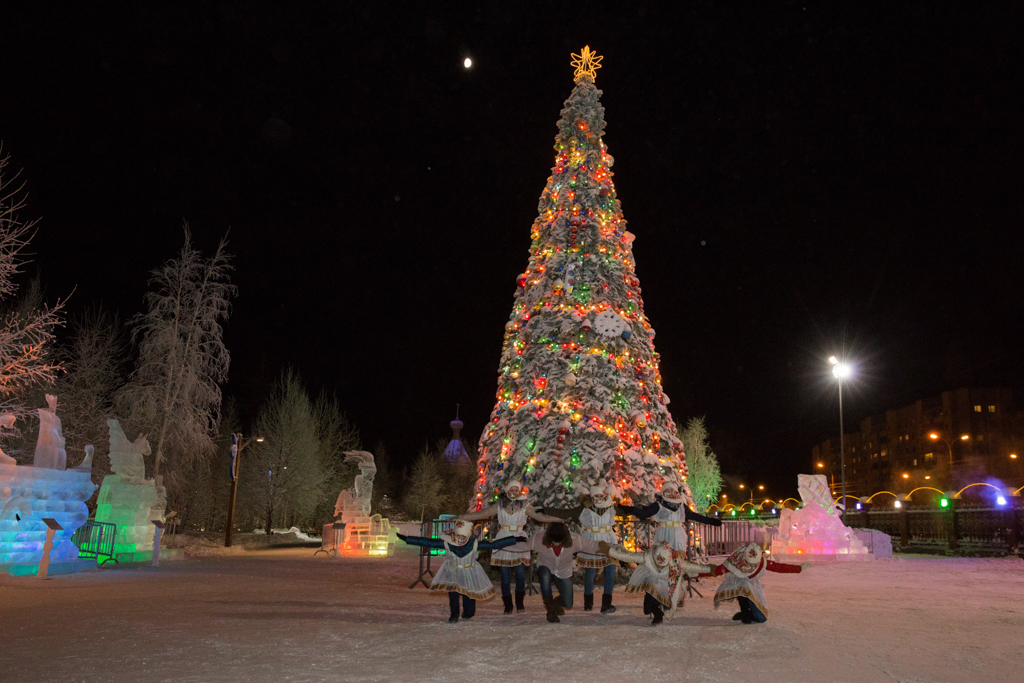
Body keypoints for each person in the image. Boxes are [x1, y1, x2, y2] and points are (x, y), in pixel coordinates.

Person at [459, 479, 562, 614]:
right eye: (511, 490)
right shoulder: (500, 504)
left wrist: (559, 519)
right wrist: (462, 517)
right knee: (505, 576)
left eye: (516, 490)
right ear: (507, 491)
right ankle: (508, 605)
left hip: (519, 540)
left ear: (519, 491)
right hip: (503, 539)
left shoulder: (525, 505)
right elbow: (481, 514)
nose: (514, 493)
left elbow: (540, 517)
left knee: (520, 574)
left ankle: (519, 603)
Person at [397, 520, 525, 623]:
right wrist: (407, 539)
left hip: (469, 572)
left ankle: (468, 612)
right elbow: (428, 542)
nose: (460, 539)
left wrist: (514, 539)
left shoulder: (474, 544)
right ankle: (454, 614)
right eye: (458, 536)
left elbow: (494, 545)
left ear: (468, 536)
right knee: (453, 594)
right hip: (453, 571)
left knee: (468, 594)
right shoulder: (448, 543)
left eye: (463, 536)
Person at [699, 542, 810, 623]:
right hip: (740, 587)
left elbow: (779, 567)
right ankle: (744, 611)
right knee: (743, 585)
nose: (752, 566)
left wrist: (799, 568)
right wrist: (695, 573)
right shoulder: (735, 561)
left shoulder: (761, 562)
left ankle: (748, 613)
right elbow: (716, 571)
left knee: (761, 618)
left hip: (754, 587)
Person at [601, 540, 707, 625]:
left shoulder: (675, 561)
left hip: (666, 582)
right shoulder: (647, 556)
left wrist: (711, 569)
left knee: (662, 597)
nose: (660, 566)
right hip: (651, 580)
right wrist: (609, 551)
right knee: (651, 600)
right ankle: (653, 607)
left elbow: (693, 567)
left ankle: (657, 611)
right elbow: (628, 556)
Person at [527, 522, 605, 623]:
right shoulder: (539, 538)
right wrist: (507, 543)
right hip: (545, 564)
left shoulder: (575, 540)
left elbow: (592, 545)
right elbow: (521, 544)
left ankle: (556, 602)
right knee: (544, 576)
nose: (556, 544)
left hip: (563, 569)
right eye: (554, 540)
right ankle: (550, 611)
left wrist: (612, 548)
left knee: (568, 603)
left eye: (559, 541)